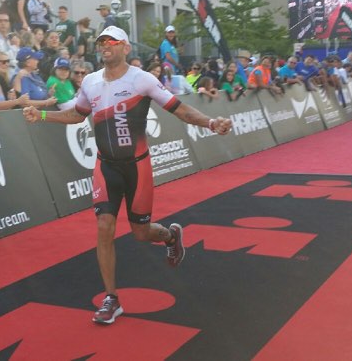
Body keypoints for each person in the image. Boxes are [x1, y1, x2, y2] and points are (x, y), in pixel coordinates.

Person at [22, 26, 232, 325]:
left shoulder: (141, 79)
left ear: (125, 47)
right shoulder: (91, 81)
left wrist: (211, 123)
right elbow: (77, 115)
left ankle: (170, 236)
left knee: (141, 233)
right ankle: (111, 298)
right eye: (101, 42)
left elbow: (179, 109)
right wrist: (42, 114)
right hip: (106, 166)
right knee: (104, 226)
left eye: (111, 41)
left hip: (137, 167)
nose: (104, 45)